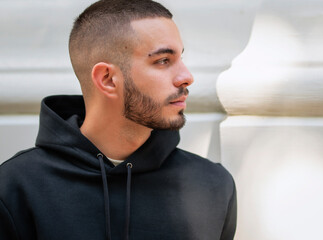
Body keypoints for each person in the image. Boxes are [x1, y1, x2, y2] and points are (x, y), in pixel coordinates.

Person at [0, 0, 237, 239]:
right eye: (163, 61)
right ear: (108, 79)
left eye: (180, 59)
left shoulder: (213, 187)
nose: (187, 77)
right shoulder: (14, 188)